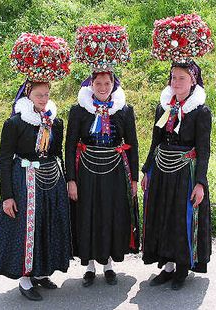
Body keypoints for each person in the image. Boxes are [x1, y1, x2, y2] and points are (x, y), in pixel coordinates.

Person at [0, 80, 72, 301]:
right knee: (27, 228)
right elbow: (4, 159)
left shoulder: (56, 122)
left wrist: (65, 180)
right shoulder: (15, 123)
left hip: (50, 181)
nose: (44, 100)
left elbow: (57, 153)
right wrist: (7, 196)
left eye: (46, 95)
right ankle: (25, 278)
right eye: (39, 95)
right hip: (24, 181)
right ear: (28, 96)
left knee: (47, 224)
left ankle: (42, 271)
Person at [141, 60, 212, 290]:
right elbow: (156, 141)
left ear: (193, 81)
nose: (176, 82)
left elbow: (204, 149)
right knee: (164, 215)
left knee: (181, 218)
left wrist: (200, 183)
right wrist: (146, 171)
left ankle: (182, 268)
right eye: (173, 77)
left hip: (186, 173)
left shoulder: (200, 112)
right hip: (162, 171)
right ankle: (167, 266)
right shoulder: (164, 107)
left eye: (181, 78)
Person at [65, 70, 139, 287]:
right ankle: (89, 266)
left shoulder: (124, 110)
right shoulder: (79, 111)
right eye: (98, 83)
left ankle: (108, 264)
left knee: (110, 214)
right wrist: (71, 179)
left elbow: (132, 145)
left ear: (114, 84)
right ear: (91, 84)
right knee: (88, 214)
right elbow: (70, 146)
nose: (103, 87)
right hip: (86, 171)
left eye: (107, 83)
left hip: (115, 171)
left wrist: (134, 178)